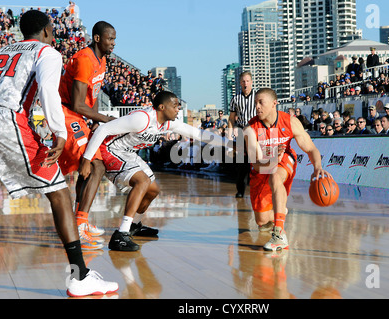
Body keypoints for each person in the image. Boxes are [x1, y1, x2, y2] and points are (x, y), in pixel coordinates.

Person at [0, 10, 117, 297]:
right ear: (48, 31)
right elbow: (50, 93)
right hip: (8, 121)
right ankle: (79, 277)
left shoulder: (3, 49)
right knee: (59, 192)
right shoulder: (47, 53)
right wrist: (60, 133)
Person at [78, 91, 233, 251]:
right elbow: (102, 129)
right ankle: (120, 235)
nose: (178, 110)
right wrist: (86, 159)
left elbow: (198, 134)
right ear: (161, 107)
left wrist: (229, 144)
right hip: (110, 149)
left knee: (153, 190)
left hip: (127, 152)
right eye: (175, 106)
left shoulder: (168, 123)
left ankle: (134, 226)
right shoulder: (142, 118)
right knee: (142, 181)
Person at [243, 88, 331, 251]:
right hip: (262, 166)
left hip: (285, 158)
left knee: (275, 177)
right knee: (262, 221)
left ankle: (279, 233)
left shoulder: (290, 121)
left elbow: (311, 148)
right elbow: (256, 165)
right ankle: (280, 209)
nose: (257, 106)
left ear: (274, 104)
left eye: (261, 102)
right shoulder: (250, 128)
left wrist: (317, 167)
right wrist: (272, 159)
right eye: (255, 103)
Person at [58, 21, 117, 250]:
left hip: (80, 116)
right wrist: (104, 119)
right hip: (68, 113)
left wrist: (94, 120)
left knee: (93, 168)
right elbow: (77, 103)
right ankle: (79, 223)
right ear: (97, 38)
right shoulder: (84, 59)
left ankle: (79, 221)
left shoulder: (102, 60)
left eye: (115, 39)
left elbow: (88, 99)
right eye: (110, 38)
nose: (113, 43)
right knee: (94, 167)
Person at [228, 71, 256, 198]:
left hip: (256, 131)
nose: (245, 83)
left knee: (258, 161)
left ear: (251, 82)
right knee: (241, 165)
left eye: (247, 81)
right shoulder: (235, 99)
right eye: (243, 81)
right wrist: (230, 133)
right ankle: (240, 191)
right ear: (240, 83)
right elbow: (231, 118)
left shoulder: (258, 96)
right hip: (240, 131)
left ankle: (260, 190)